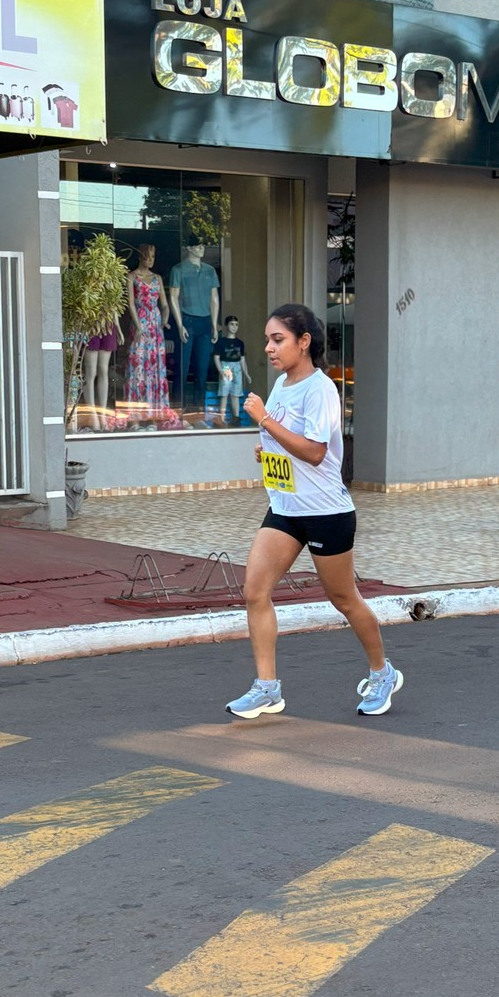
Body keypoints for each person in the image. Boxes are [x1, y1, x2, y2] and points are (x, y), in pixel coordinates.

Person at [227, 303, 403, 720]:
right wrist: (267, 448)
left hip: (326, 512)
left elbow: (316, 451)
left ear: (304, 342)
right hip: (286, 508)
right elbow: (291, 444)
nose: (269, 348)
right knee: (254, 591)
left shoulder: (320, 388)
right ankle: (267, 688)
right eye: (268, 340)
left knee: (344, 597)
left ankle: (383, 672)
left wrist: (266, 423)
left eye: (278, 339)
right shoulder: (284, 385)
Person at [168, 236, 219, 413]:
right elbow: (173, 297)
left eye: (202, 245)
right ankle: (177, 409)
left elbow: (214, 298)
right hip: (187, 319)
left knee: (202, 368)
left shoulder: (210, 270)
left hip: (205, 321)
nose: (201, 248)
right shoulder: (179, 270)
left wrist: (214, 323)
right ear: (189, 248)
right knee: (182, 367)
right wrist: (180, 324)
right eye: (197, 245)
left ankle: (199, 410)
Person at [126, 243, 170, 423]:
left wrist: (165, 320)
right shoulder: (132, 277)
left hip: (156, 325)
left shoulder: (157, 278)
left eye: (153, 257)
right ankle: (135, 418)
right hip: (140, 321)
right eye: (148, 257)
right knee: (137, 367)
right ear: (141, 257)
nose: (151, 260)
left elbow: (165, 304)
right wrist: (138, 326)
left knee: (155, 368)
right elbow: (130, 303)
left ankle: (154, 416)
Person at [212, 315, 251, 426]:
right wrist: (221, 371)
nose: (234, 327)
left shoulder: (240, 343)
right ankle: (222, 418)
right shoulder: (221, 342)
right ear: (227, 325)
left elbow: (243, 360)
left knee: (236, 394)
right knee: (224, 393)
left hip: (237, 368)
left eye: (236, 325)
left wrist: (246, 373)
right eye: (232, 324)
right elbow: (216, 358)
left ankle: (236, 418)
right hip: (225, 367)